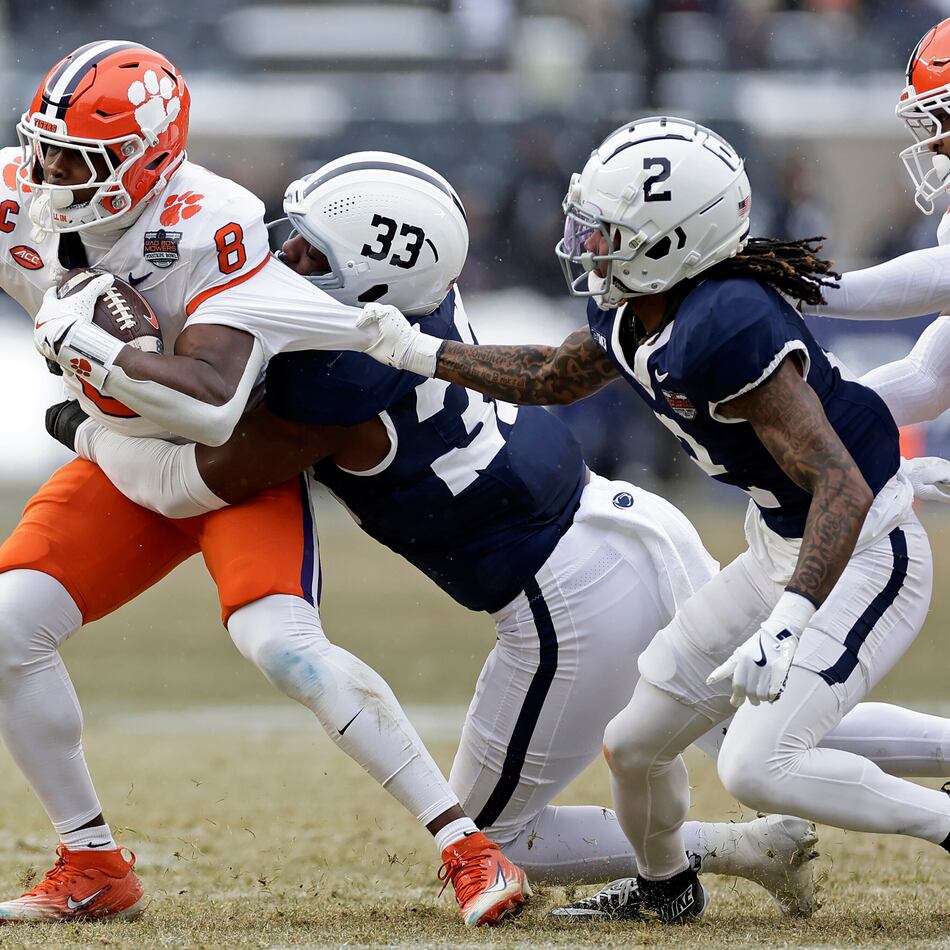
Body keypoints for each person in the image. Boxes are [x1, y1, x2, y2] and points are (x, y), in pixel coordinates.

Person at [58, 150, 950, 923]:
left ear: (372, 287)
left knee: (514, 830)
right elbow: (553, 373)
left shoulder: (330, 383)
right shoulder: (426, 308)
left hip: (565, 586)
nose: (277, 256)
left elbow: (191, 483)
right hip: (626, 525)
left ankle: (743, 848)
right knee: (727, 730)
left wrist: (90, 419)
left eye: (305, 253)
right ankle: (673, 876)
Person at [352, 117, 950, 923]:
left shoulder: (726, 324)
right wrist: (420, 354)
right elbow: (555, 375)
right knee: (634, 744)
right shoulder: (639, 302)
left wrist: (790, 620)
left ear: (673, 240)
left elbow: (839, 485)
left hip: (862, 550)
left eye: (609, 230)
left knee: (758, 767)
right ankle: (667, 888)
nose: (586, 243)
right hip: (782, 541)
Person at [0, 42, 526, 927]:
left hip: (222, 466)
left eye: (78, 160)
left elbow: (212, 405)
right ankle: (91, 861)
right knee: (7, 629)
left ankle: (468, 850)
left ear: (150, 157)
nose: (49, 174)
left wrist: (96, 348)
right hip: (123, 463)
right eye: (43, 149)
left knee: (285, 649)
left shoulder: (214, 223)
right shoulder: (17, 188)